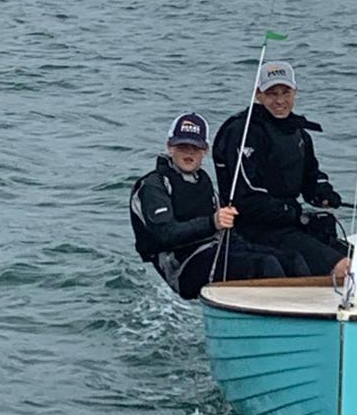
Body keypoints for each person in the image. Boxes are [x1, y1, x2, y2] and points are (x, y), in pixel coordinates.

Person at [130, 112, 305, 299]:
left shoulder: (204, 182)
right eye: (182, 146)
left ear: (205, 150)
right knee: (265, 264)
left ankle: (312, 314)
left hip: (215, 251)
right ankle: (278, 317)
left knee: (292, 260)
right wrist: (212, 222)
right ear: (170, 147)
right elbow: (165, 234)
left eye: (195, 147)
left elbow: (226, 234)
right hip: (182, 267)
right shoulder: (154, 185)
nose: (189, 152)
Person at [213, 62, 351, 280]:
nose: (279, 101)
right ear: (258, 95)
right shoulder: (241, 131)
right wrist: (291, 211)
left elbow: (311, 176)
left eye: (285, 92)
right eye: (271, 94)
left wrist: (322, 192)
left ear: (295, 92)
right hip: (255, 230)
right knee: (345, 268)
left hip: (290, 225)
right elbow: (246, 196)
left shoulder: (299, 134)